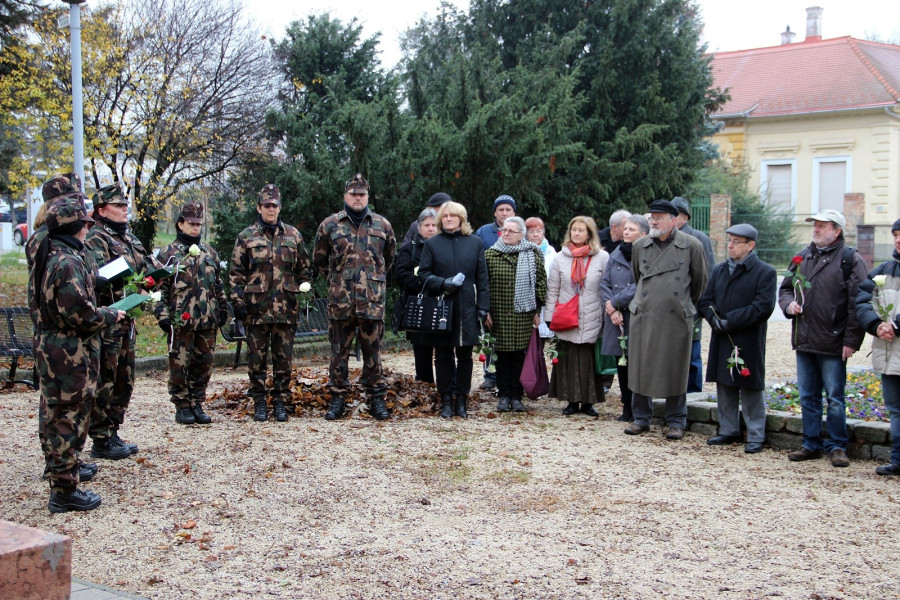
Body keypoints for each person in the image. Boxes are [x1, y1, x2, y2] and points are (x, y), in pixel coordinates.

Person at [31, 194, 125, 512]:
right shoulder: (66, 262)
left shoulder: (51, 253)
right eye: (84, 225)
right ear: (75, 228)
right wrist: (112, 314)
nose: (88, 231)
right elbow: (81, 315)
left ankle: (62, 476)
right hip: (66, 352)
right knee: (67, 417)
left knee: (55, 413)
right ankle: (64, 489)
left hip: (53, 347)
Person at [779, 209, 867, 467]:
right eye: (814, 225)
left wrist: (851, 341)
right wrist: (788, 305)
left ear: (837, 231)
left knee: (835, 398)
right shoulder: (802, 257)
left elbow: (858, 302)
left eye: (822, 226)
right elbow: (785, 289)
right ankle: (811, 443)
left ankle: (838, 445)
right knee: (807, 396)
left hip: (834, 340)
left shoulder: (850, 259)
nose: (815, 229)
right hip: (805, 338)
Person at [83, 183, 160, 460]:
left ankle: (113, 430)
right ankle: (100, 437)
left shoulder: (130, 238)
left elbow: (145, 266)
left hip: (129, 318)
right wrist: (130, 285)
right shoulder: (96, 237)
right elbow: (98, 277)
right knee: (107, 377)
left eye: (125, 205)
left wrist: (157, 274)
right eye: (118, 206)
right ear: (102, 209)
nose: (124, 210)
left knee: (125, 379)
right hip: (109, 319)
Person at [313, 174, 397, 421]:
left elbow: (389, 259)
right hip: (341, 302)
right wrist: (339, 282)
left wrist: (372, 282)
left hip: (371, 301)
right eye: (353, 194)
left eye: (362, 194)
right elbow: (320, 260)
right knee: (339, 352)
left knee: (373, 352)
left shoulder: (383, 225)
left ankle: (376, 400)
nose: (358, 198)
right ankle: (338, 399)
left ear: (368, 197)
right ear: (345, 196)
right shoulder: (330, 225)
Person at [625, 199, 707, 440]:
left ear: (673, 220)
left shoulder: (691, 245)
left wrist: (681, 304)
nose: (653, 221)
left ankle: (676, 420)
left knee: (676, 367)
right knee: (641, 366)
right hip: (645, 315)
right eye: (652, 216)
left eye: (659, 217)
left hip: (675, 316)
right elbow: (639, 276)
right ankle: (640, 418)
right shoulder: (640, 245)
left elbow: (699, 282)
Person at [230, 183, 311, 423]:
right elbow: (236, 274)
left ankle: (280, 403)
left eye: (274, 205)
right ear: (259, 207)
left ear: (280, 207)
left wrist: (301, 291)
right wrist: (237, 302)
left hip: (285, 310)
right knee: (256, 361)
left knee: (283, 361)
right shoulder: (246, 237)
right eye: (266, 206)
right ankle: (259, 403)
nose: (271, 210)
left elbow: (304, 270)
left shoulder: (293, 236)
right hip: (256, 310)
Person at [698, 224, 777, 454]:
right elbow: (706, 300)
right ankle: (728, 428)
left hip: (747, 337)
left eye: (736, 242)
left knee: (750, 385)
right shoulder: (720, 270)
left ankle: (755, 434)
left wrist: (730, 320)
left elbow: (762, 307)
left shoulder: (764, 272)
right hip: (722, 335)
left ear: (750, 245)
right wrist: (713, 319)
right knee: (725, 382)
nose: (730, 246)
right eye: (729, 241)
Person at [155, 202, 228, 425]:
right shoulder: (168, 254)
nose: (195, 228)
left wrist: (223, 308)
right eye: (191, 223)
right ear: (180, 224)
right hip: (181, 320)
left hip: (207, 319)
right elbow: (158, 289)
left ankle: (197, 401)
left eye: (198, 224)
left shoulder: (209, 252)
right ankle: (182, 404)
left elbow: (217, 284)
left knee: (204, 363)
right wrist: (162, 316)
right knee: (180, 363)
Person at [418, 201, 490, 418]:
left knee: (465, 355)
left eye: (453, 215)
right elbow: (423, 274)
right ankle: (446, 400)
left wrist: (483, 307)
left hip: (467, 305)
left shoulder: (475, 243)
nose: (449, 219)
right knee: (442, 355)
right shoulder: (432, 244)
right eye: (445, 215)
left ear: (461, 219)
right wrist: (442, 283)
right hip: (443, 305)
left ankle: (462, 400)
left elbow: (483, 278)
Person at [545, 216, 608, 416]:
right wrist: (549, 315)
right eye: (574, 230)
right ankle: (571, 400)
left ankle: (589, 402)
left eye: (581, 230)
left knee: (589, 359)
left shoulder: (602, 257)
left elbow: (605, 287)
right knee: (569, 358)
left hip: (592, 313)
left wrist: (607, 314)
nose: (577, 233)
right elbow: (552, 288)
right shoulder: (560, 258)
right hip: (567, 314)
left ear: (589, 233)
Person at [485, 216, 546, 412]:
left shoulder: (533, 253)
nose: (507, 233)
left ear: (522, 235)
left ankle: (517, 395)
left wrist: (537, 310)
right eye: (504, 230)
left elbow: (541, 283)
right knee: (502, 356)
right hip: (499, 314)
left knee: (520, 355)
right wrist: (485, 311)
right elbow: (483, 286)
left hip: (524, 314)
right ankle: (503, 395)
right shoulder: (491, 255)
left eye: (512, 231)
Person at [856, 218, 900, 476]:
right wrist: (875, 325)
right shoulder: (883, 271)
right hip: (890, 355)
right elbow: (862, 300)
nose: (898, 239)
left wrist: (897, 325)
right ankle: (897, 461)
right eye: (895, 234)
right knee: (895, 410)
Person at [600, 214, 649, 422]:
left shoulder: (647, 253)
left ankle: (639, 409)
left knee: (636, 361)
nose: (626, 232)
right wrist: (611, 309)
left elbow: (642, 283)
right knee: (622, 362)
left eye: (632, 229)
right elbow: (605, 282)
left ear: (644, 234)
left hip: (637, 314)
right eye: (626, 228)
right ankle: (626, 407)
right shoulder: (617, 251)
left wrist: (616, 302)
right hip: (617, 316)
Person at [672, 196, 715, 394]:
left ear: (684, 217)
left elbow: (707, 275)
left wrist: (698, 307)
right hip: (668, 308)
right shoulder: (662, 238)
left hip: (691, 306)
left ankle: (693, 395)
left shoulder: (698, 239)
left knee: (692, 355)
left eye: (674, 214)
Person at [474, 194, 517, 391]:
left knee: (512, 338)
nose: (505, 213)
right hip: (489, 291)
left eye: (508, 209)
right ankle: (490, 374)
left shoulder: (519, 231)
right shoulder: (483, 232)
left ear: (514, 213)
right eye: (501, 209)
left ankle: (513, 377)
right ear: (495, 212)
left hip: (513, 294)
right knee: (490, 335)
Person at [394, 207, 439, 383]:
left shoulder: (446, 247)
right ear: (419, 227)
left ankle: (446, 387)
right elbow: (400, 274)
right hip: (418, 306)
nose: (430, 229)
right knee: (422, 351)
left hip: (442, 305)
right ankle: (425, 385)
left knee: (444, 352)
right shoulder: (408, 249)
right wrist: (425, 283)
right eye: (427, 225)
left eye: (434, 225)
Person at [525, 216, 556, 339]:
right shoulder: (521, 250)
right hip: (526, 300)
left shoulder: (551, 252)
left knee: (542, 337)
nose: (535, 235)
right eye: (531, 232)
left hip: (544, 299)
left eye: (538, 231)